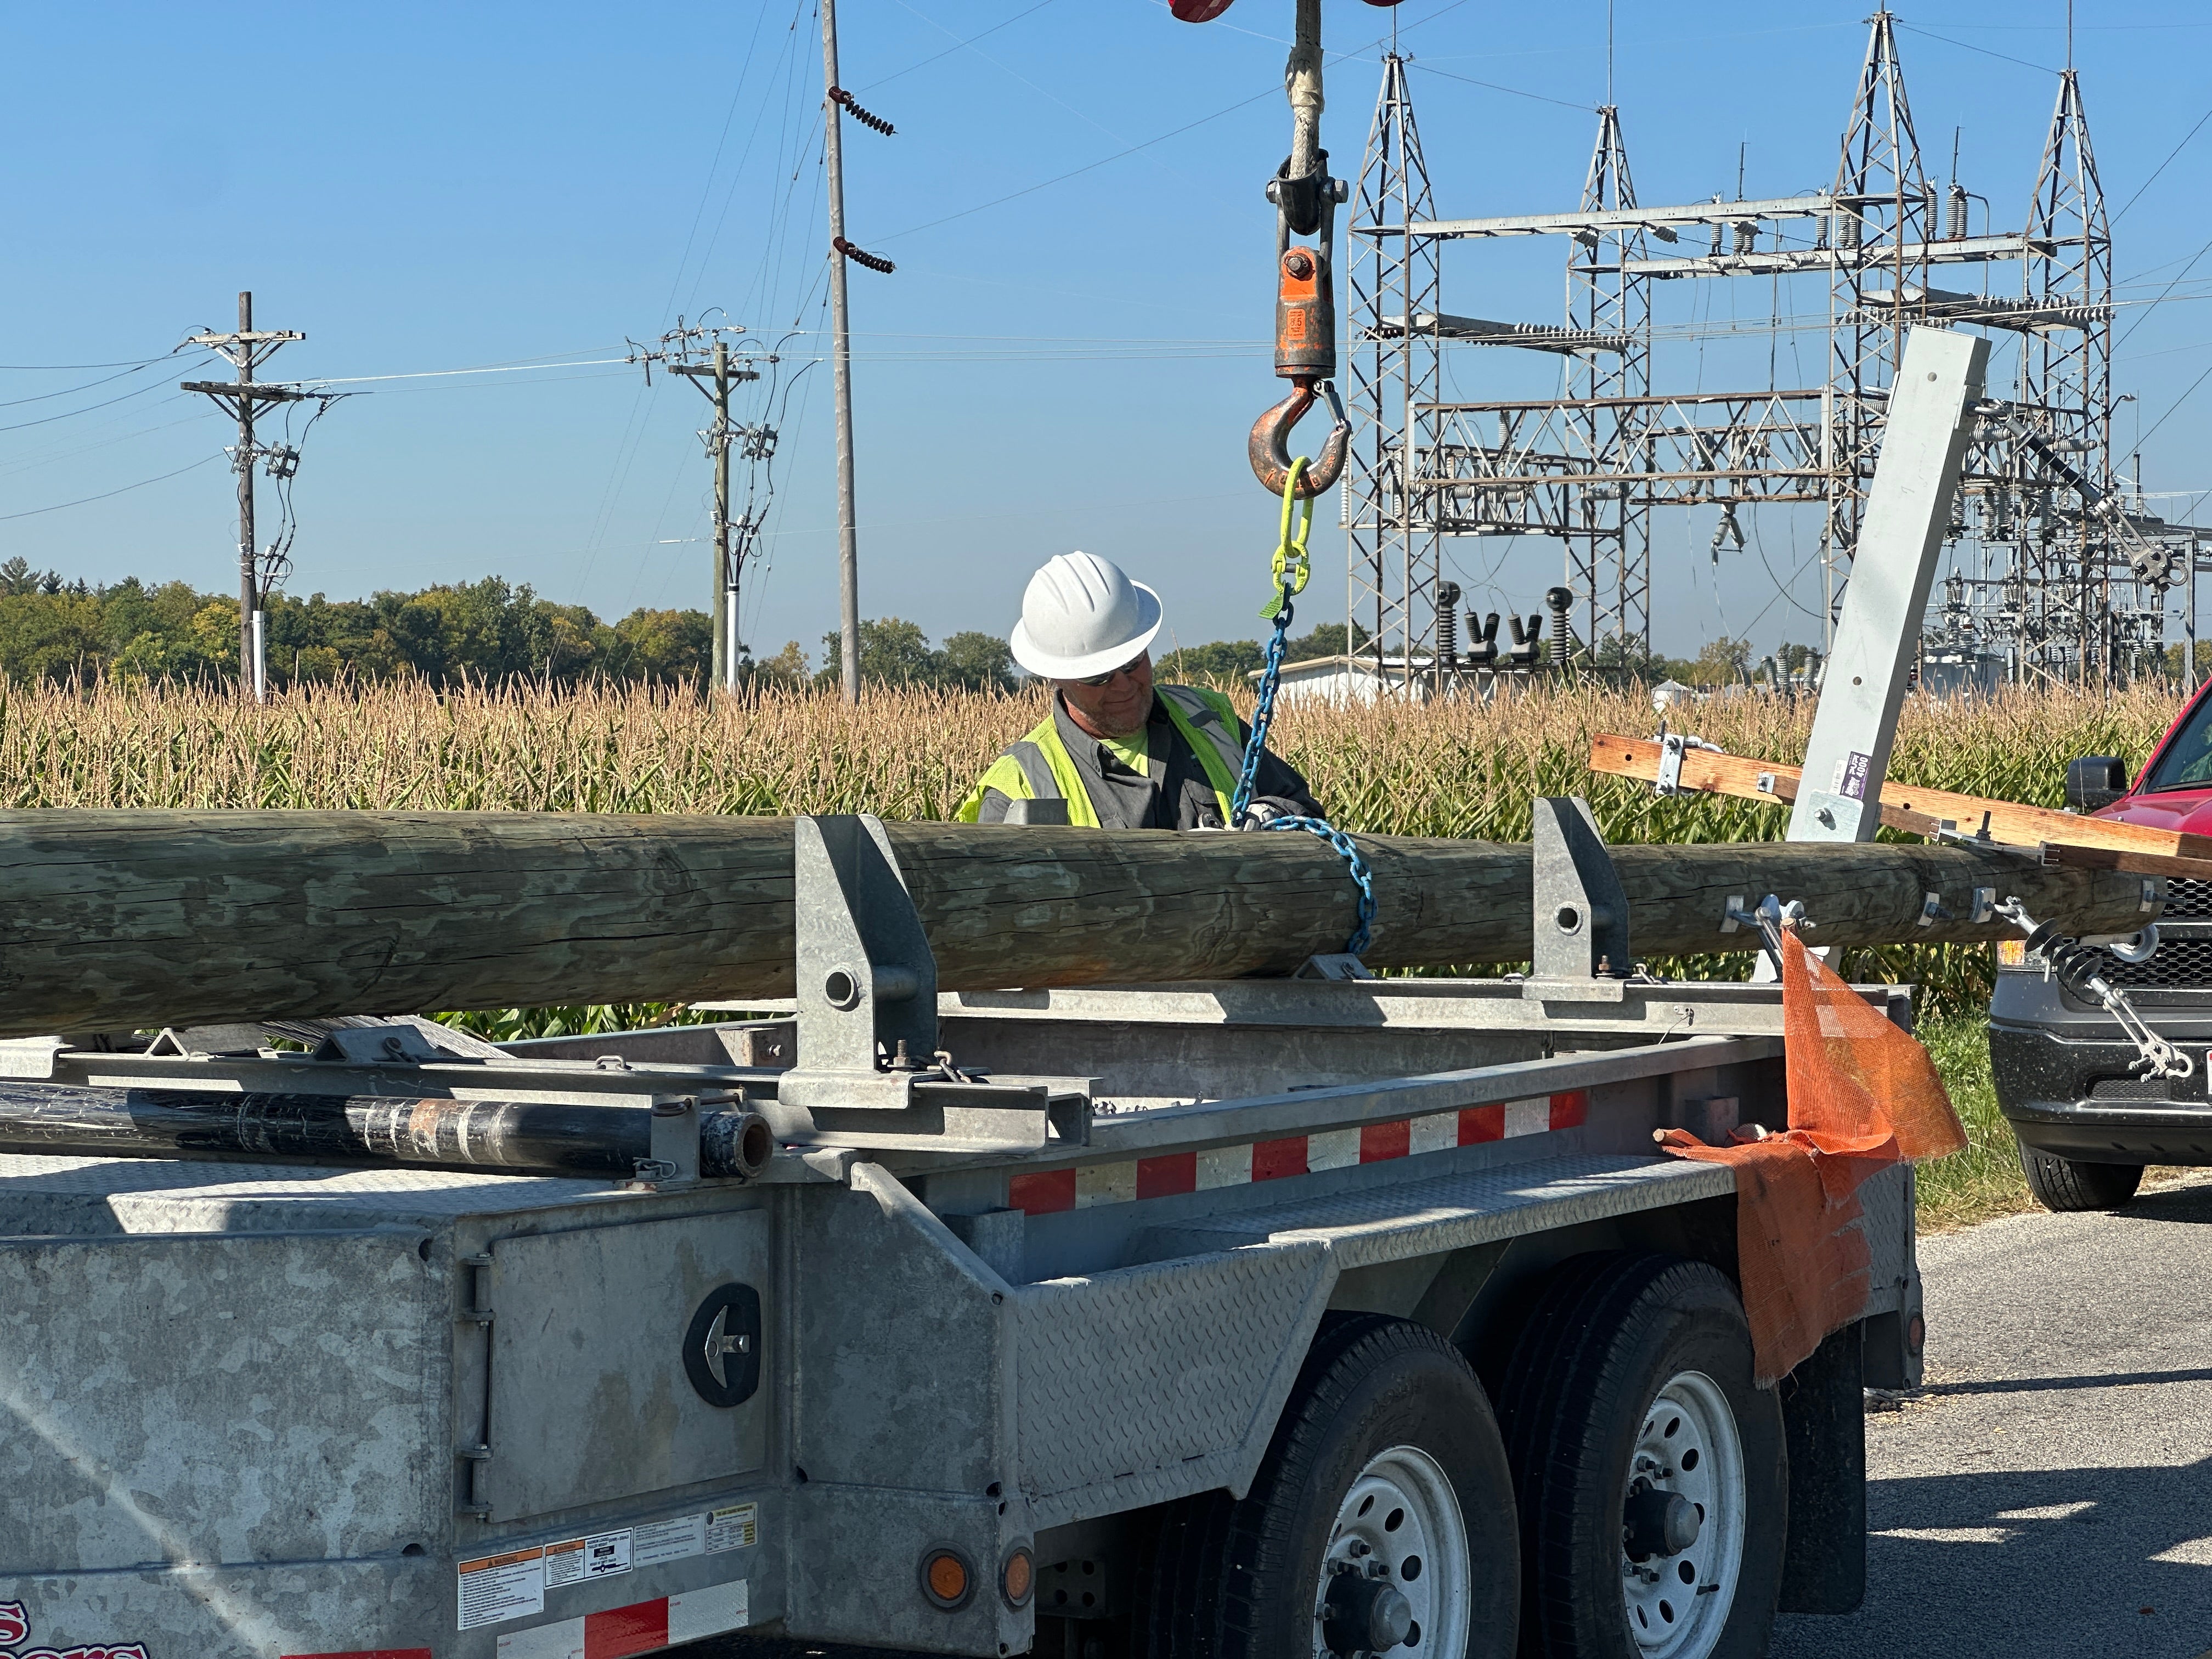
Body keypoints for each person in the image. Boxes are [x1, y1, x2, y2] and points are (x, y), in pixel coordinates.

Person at [957, 551, 1323, 830]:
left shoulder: (1210, 719)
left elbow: (1305, 810)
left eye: (1133, 663)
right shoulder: (1022, 779)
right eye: (1098, 677)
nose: (1123, 685)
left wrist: (1273, 814)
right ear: (1055, 677)